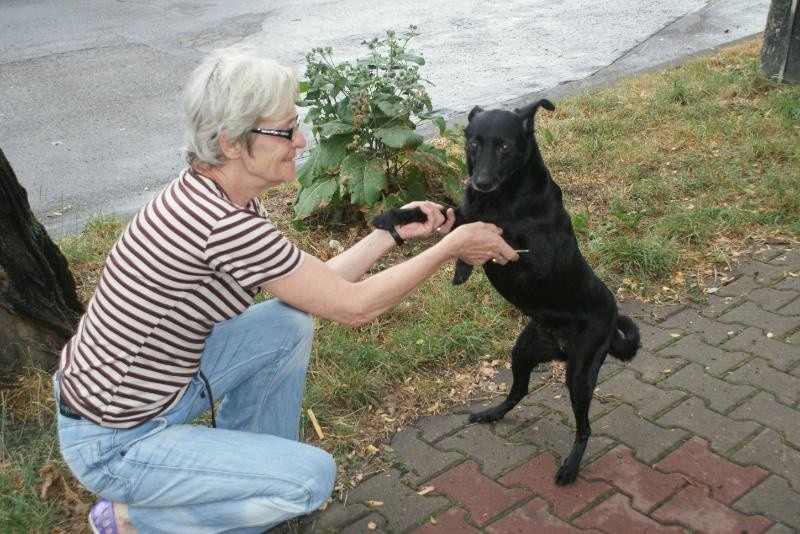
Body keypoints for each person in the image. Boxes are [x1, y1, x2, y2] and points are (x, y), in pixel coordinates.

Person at [54, 45, 519, 534]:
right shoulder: (220, 223)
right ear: (231, 143)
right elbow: (354, 308)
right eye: (285, 130)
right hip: (114, 441)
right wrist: (452, 246)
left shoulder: (220, 197)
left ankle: (251, 473)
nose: (300, 140)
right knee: (310, 482)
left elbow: (316, 286)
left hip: (155, 389)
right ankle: (128, 519)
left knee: (286, 322)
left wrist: (392, 232)